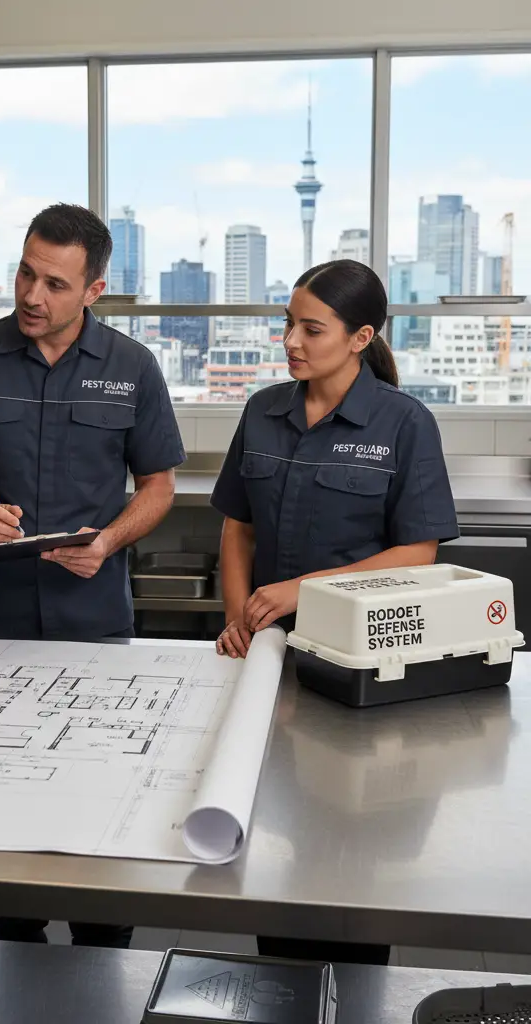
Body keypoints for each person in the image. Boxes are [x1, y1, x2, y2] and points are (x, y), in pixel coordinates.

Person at [0, 203, 185, 949]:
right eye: (26, 273)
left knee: (99, 813)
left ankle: (105, 958)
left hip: (96, 622)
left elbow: (159, 485)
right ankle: (15, 956)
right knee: (1, 815)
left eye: (55, 284)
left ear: (94, 289)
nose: (33, 295)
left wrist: (111, 540)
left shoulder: (132, 368)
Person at [210, 258, 458, 965]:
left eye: (311, 328)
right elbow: (236, 526)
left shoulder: (404, 423)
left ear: (360, 337)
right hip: (272, 670)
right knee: (275, 850)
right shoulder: (263, 410)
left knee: (355, 855)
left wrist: (304, 591)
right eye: (288, 323)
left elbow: (418, 554)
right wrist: (239, 617)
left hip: (364, 675)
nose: (291, 339)